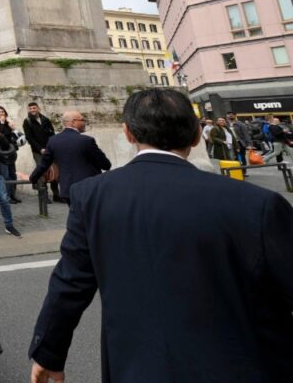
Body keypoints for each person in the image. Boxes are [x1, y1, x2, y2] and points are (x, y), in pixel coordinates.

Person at [28, 88, 293, 383]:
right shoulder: (258, 203)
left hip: (138, 368)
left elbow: (70, 283)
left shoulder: (92, 197)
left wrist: (48, 351)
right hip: (246, 366)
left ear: (128, 133)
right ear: (196, 136)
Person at [29, 111, 110, 206]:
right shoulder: (86, 141)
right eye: (82, 120)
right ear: (74, 122)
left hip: (67, 190)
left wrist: (32, 178)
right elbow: (106, 165)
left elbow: (43, 165)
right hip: (88, 190)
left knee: (76, 218)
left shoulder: (53, 141)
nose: (84, 122)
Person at [22, 102, 63, 202]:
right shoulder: (27, 121)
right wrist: (40, 149)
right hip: (38, 151)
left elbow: (52, 134)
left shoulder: (45, 119)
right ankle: (43, 196)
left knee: (55, 171)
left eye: (34, 108)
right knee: (42, 172)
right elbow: (29, 138)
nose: (32, 110)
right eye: (30, 108)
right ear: (28, 110)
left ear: (38, 109)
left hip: (50, 149)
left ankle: (56, 195)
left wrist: (51, 146)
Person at [0, 105, 22, 203]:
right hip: (1, 153)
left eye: (2, 112)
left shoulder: (9, 124)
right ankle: (7, 196)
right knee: (6, 175)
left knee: (13, 175)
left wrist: (14, 129)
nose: (1, 113)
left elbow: (15, 137)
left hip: (10, 153)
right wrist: (2, 123)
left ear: (5, 113)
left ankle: (13, 195)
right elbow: (0, 135)